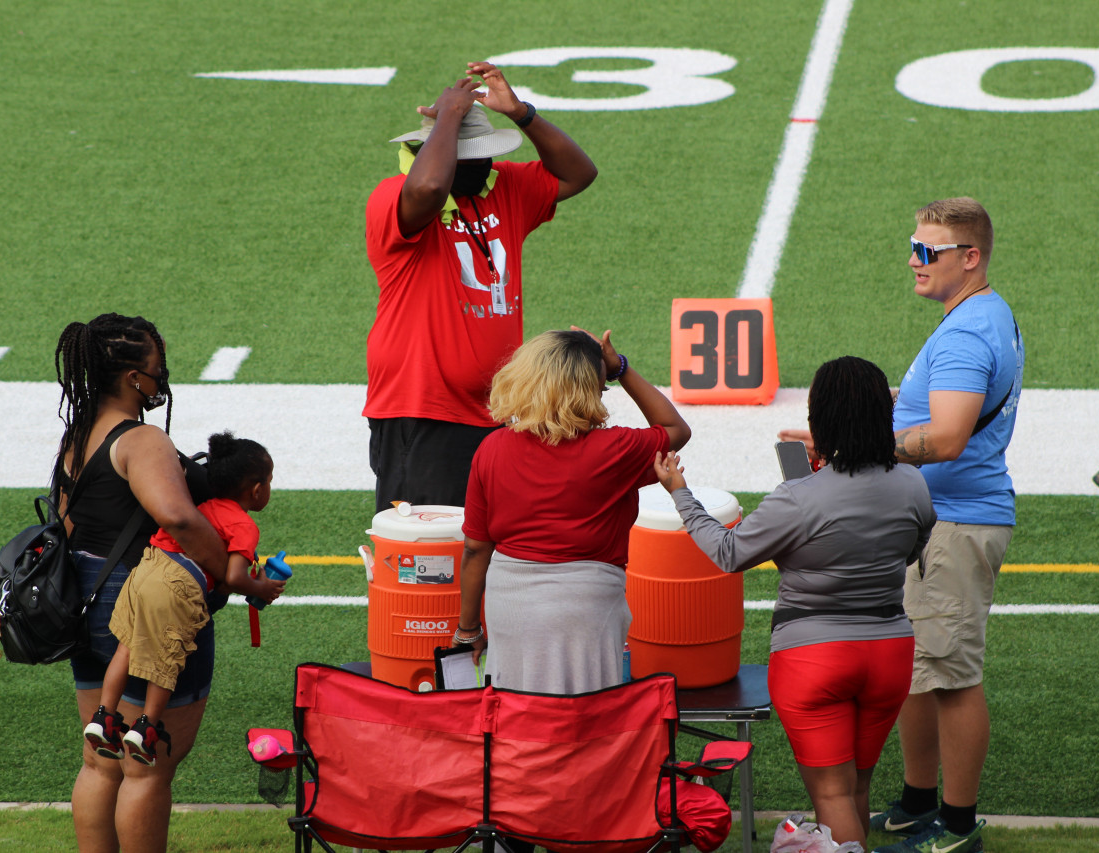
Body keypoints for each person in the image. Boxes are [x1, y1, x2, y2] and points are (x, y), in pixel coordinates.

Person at [781, 199, 1023, 853]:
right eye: (912, 246)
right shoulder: (972, 318)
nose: (913, 261)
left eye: (928, 251)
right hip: (936, 521)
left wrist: (860, 445)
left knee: (952, 675)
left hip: (955, 522)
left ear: (969, 257)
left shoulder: (968, 333)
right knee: (921, 668)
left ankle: (959, 822)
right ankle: (919, 802)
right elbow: (934, 409)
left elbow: (945, 438)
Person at [655, 356, 936, 851]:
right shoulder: (913, 484)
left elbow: (728, 552)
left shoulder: (797, 497)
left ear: (819, 420)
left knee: (831, 795)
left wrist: (681, 494)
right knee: (858, 789)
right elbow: (914, 548)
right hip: (890, 650)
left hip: (813, 657)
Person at [364, 61, 598, 512]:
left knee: (486, 544)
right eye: (468, 155)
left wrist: (522, 114)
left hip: (497, 411)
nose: (484, 164)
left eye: (486, 153)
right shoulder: (393, 196)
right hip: (424, 412)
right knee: (430, 556)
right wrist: (449, 118)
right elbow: (431, 186)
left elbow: (578, 174)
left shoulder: (504, 188)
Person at [55, 313, 234, 853]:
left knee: (101, 758)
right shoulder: (142, 439)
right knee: (145, 765)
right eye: (158, 368)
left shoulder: (80, 432)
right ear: (134, 377)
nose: (163, 377)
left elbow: (66, 520)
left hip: (87, 596)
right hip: (146, 603)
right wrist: (226, 571)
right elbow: (177, 516)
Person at [452, 328, 690, 693]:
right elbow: (676, 428)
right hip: (588, 605)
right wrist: (620, 367)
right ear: (591, 390)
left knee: (512, 704)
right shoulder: (617, 449)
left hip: (510, 601)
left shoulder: (492, 448)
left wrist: (469, 628)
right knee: (587, 714)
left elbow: (475, 549)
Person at [83, 431, 286, 766]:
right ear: (255, 489)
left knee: (128, 645)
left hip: (147, 568)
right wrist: (261, 588)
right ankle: (146, 728)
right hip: (176, 585)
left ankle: (104, 717)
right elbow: (233, 576)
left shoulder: (201, 506)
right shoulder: (244, 525)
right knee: (167, 660)